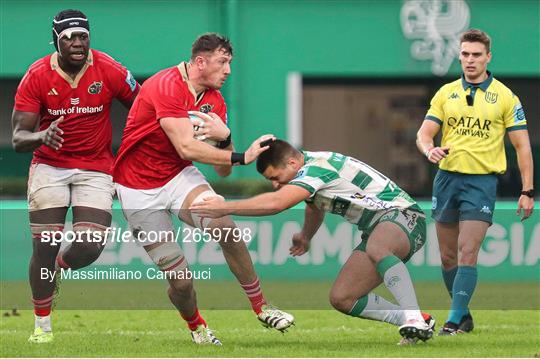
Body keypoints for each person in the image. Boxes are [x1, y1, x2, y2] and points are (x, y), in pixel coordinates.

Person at [112, 33, 294, 345]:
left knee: (225, 226)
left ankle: (261, 306)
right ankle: (197, 326)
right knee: (181, 283)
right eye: (223, 62)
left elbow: (221, 171)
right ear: (200, 62)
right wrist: (243, 156)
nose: (228, 70)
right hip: (137, 188)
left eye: (230, 63)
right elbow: (186, 146)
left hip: (178, 177)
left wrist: (225, 139)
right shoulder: (165, 84)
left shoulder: (215, 101)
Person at [190, 139, 436, 344]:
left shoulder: (317, 168)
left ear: (292, 163)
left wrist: (224, 207)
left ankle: (413, 318)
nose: (276, 185)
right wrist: (306, 235)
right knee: (343, 298)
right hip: (378, 227)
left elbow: (278, 203)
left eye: (277, 178)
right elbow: (315, 206)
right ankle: (414, 320)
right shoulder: (309, 168)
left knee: (378, 247)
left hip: (404, 216)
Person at [11, 9, 140, 343]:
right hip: (49, 167)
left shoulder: (110, 69)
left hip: (96, 167)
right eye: (70, 37)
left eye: (83, 36)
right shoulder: (37, 75)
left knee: (90, 245)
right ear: (56, 40)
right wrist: (41, 136)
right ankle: (42, 326)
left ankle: (59, 268)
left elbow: (144, 106)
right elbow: (18, 138)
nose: (78, 43)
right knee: (43, 247)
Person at [415, 29, 534, 335]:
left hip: (482, 183)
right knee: (447, 255)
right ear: (459, 55)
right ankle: (464, 314)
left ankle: (453, 322)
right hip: (446, 179)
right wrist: (429, 149)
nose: (470, 60)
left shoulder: (506, 97)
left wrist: (527, 190)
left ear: (488, 57)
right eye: (465, 54)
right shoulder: (446, 93)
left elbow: (522, 146)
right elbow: (424, 134)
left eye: (476, 55)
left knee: (468, 251)